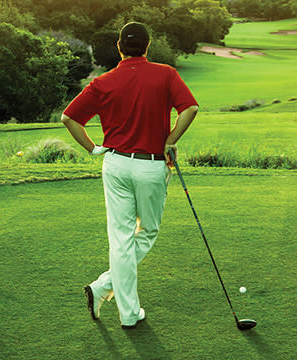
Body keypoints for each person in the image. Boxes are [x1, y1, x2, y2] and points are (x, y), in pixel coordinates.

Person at [61, 22, 199, 329]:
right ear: (148, 46)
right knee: (146, 232)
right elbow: (190, 108)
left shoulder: (103, 81)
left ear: (119, 46)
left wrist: (93, 149)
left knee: (121, 238)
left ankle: (106, 289)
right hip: (151, 165)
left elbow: (68, 118)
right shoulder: (166, 74)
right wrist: (170, 140)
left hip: (116, 164)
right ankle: (126, 311)